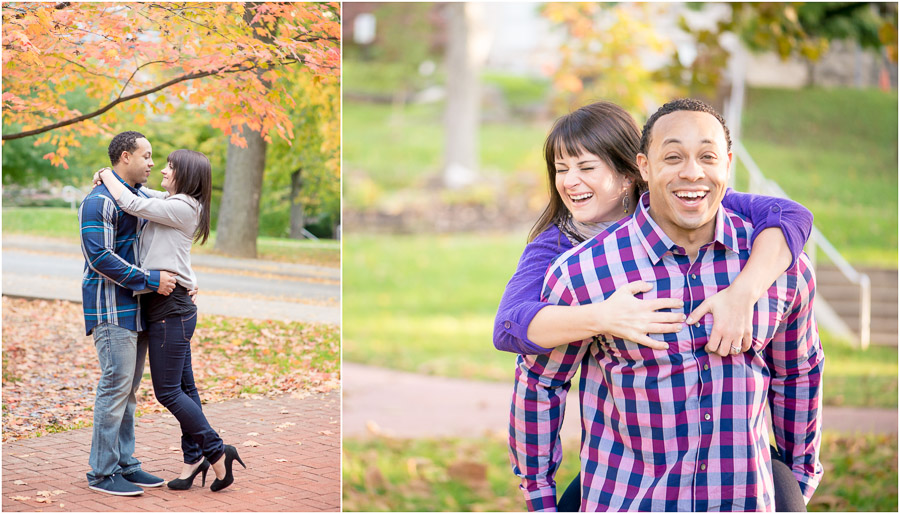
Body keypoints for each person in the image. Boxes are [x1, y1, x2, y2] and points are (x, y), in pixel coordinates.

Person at [509, 99, 824, 511]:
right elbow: (536, 378)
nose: (691, 171)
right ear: (643, 166)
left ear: (727, 163)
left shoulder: (778, 262)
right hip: (628, 499)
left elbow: (799, 372)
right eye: (673, 156)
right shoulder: (578, 269)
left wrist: (797, 480)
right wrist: (541, 497)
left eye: (707, 156)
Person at [97, 148, 245, 492]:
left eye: (170, 167)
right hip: (170, 305)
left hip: (170, 310)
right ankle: (194, 458)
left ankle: (216, 449)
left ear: (185, 175)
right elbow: (143, 194)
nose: (162, 170)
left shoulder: (181, 207)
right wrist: (117, 179)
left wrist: (106, 175)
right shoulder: (175, 202)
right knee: (186, 389)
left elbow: (133, 204)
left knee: (167, 392)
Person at [80, 131, 177, 496]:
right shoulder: (98, 202)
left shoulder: (134, 197)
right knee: (115, 387)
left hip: (137, 309)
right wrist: (151, 279)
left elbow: (175, 201)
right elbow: (99, 257)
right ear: (125, 156)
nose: (152, 163)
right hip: (111, 309)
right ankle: (102, 474)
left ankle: (125, 463)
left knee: (129, 391)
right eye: (147, 156)